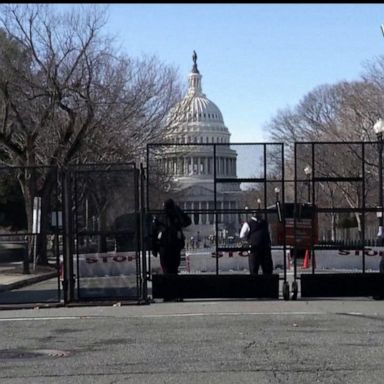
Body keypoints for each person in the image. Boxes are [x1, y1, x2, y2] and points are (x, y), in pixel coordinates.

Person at [151, 199, 191, 275]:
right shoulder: (161, 216)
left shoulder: (172, 215)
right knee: (169, 268)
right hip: (167, 245)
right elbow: (154, 232)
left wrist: (154, 248)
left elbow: (187, 221)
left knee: (171, 268)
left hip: (171, 245)